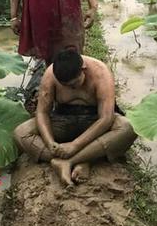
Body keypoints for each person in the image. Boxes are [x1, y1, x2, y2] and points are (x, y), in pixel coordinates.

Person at [13, 49, 136, 186]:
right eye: (66, 86)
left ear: (83, 69)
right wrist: (50, 144)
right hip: (62, 120)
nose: (72, 89)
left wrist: (74, 145)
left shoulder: (101, 72)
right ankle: (82, 157)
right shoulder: (50, 74)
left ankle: (70, 161)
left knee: (128, 127)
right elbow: (42, 113)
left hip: (94, 122)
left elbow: (106, 118)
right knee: (21, 133)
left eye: (74, 83)